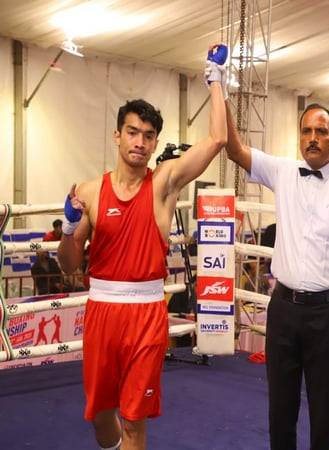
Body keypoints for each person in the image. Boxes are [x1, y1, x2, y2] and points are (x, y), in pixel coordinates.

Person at [58, 45, 228, 450]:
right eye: (132, 132)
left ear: (155, 144)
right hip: (102, 312)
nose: (139, 142)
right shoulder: (89, 192)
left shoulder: (164, 184)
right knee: (102, 418)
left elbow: (218, 139)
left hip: (147, 316)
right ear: (118, 135)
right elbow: (68, 266)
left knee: (134, 419)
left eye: (148, 136)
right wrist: (68, 228)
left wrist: (215, 79)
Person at [224, 102, 329, 450]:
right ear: (299, 137)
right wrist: (220, 88)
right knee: (280, 412)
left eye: (321, 132)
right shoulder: (282, 171)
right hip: (283, 309)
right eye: (306, 131)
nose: (313, 138)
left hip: (327, 315)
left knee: (324, 413)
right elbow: (233, 148)